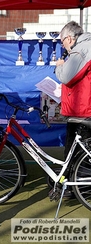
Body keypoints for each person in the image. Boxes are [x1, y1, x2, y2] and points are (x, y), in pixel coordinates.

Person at [55, 21, 91, 196]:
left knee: (74, 152)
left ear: (69, 38)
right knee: (80, 152)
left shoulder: (81, 49)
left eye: (62, 42)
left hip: (82, 111)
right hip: (84, 108)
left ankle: (75, 188)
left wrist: (59, 66)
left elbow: (67, 77)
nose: (63, 46)